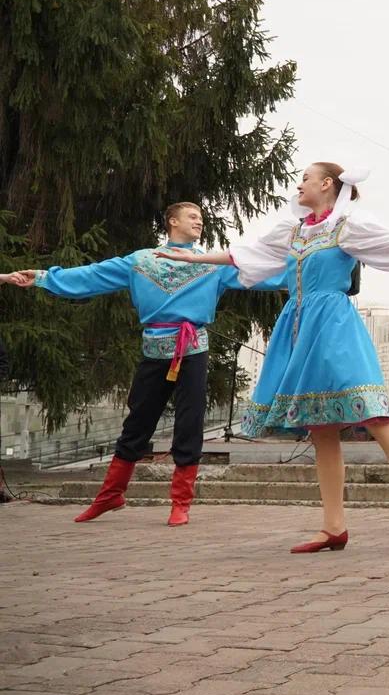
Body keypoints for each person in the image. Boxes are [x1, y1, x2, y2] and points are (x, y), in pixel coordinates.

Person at [159, 163, 389, 554]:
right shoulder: (293, 231)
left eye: (305, 177)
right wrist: (193, 261)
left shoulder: (347, 226)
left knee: (375, 414)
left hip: (336, 327)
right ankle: (333, 526)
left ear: (327, 184)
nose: (299, 183)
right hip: (299, 328)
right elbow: (247, 254)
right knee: (320, 426)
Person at [14, 203, 284, 526]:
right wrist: (43, 277)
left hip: (193, 349)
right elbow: (92, 275)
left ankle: (181, 502)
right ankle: (110, 495)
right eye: (192, 216)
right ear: (172, 221)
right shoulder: (140, 261)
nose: (199, 221)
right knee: (138, 421)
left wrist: (313, 268)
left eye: (201, 217)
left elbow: (262, 272)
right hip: (155, 349)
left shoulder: (212, 265)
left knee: (189, 421)